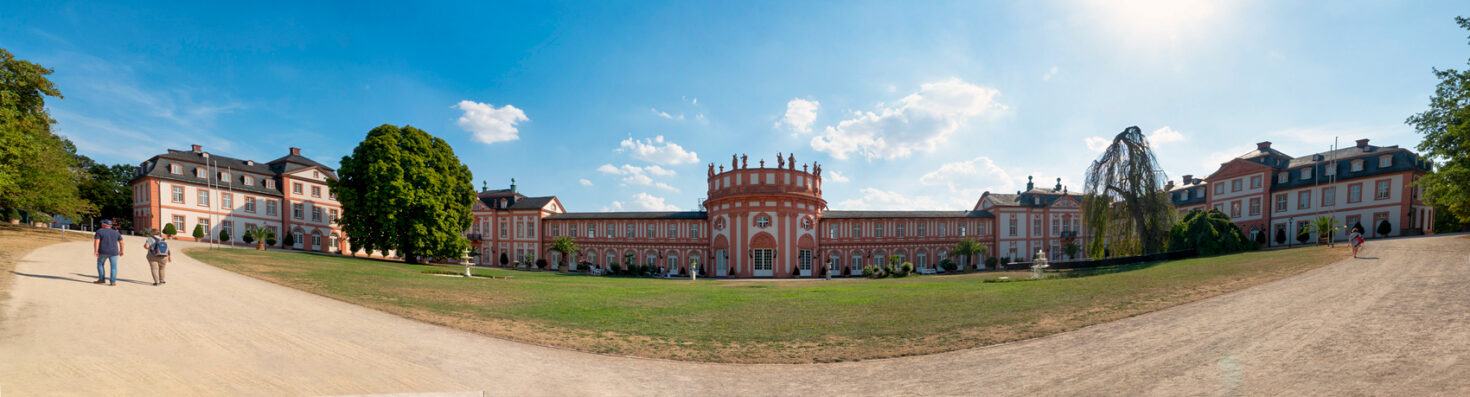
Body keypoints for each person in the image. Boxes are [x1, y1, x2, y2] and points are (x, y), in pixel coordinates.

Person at [93, 219, 124, 286]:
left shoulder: (99, 231)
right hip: (114, 252)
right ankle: (113, 282)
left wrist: (96, 251)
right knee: (114, 267)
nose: (101, 224)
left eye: (102, 223)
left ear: (104, 224)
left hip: (102, 251)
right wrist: (121, 251)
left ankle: (101, 279)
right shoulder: (116, 232)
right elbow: (121, 242)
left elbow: (97, 241)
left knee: (100, 264)